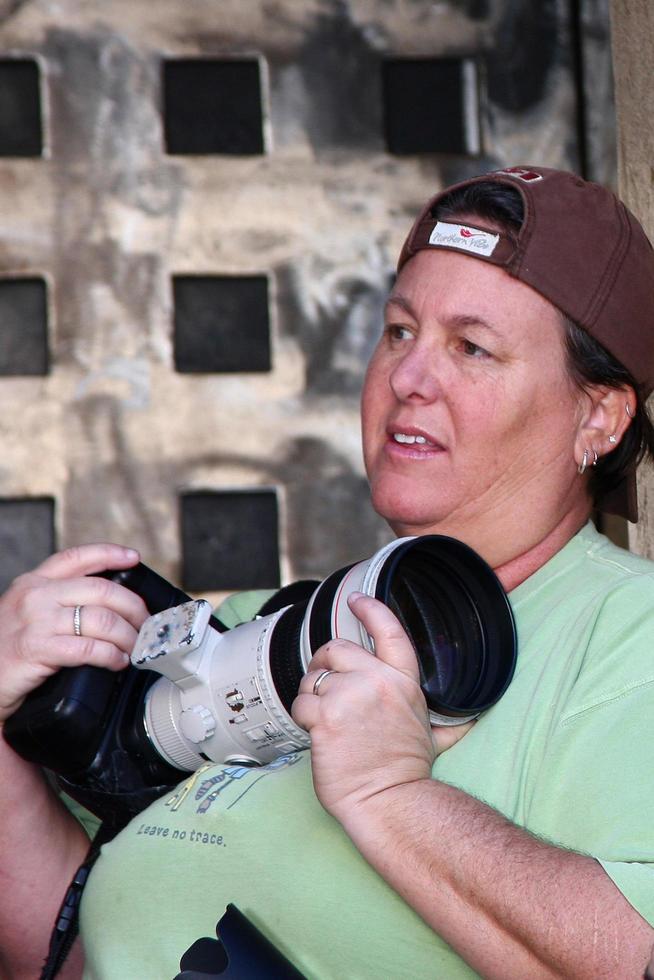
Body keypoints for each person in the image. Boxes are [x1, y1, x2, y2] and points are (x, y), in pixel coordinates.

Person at [1, 164, 654, 979]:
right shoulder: (267, 626)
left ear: (599, 414)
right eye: (399, 331)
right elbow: (59, 953)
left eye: (472, 347)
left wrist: (392, 796)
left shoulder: (628, 637)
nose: (409, 379)